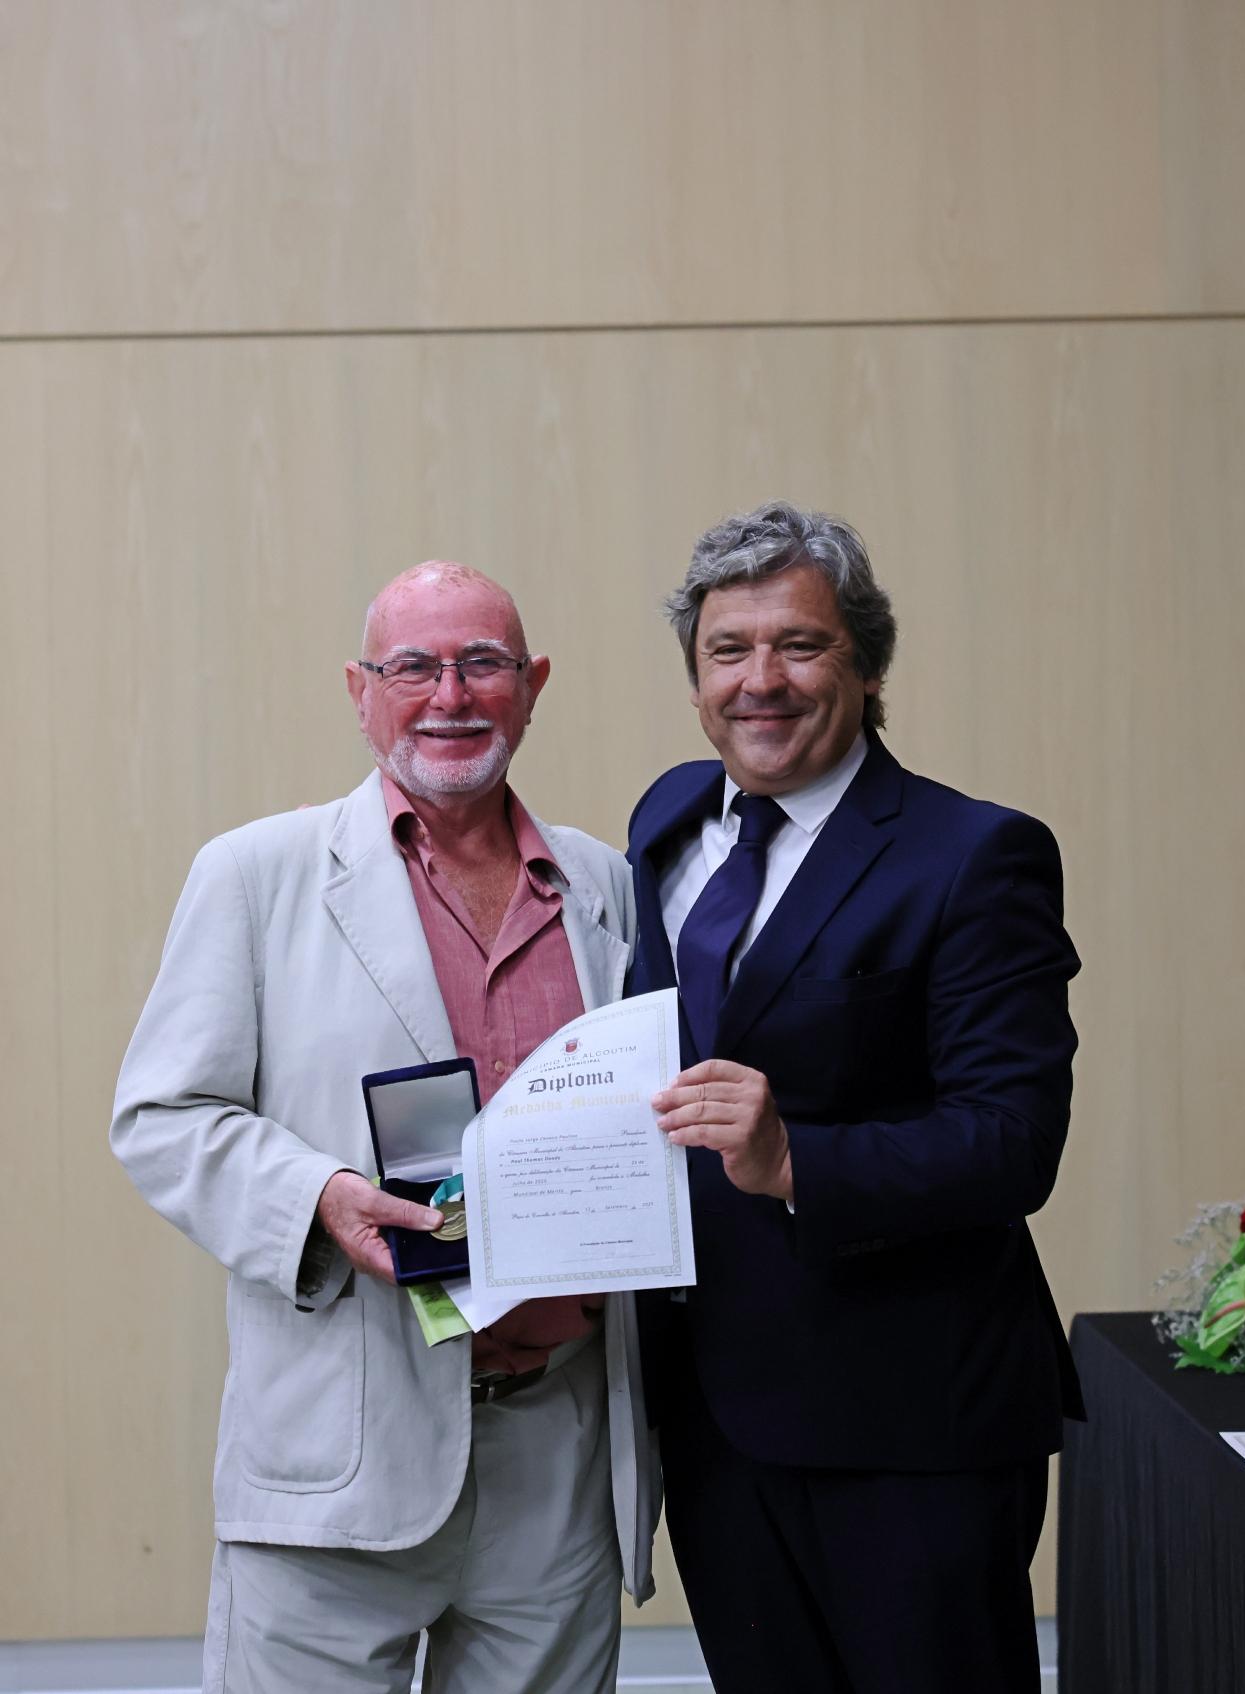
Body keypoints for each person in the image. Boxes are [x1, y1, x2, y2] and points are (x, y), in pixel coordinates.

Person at [112, 561, 656, 1694]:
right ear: (361, 692)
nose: (449, 695)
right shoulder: (255, 874)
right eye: (413, 666)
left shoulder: (603, 883)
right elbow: (162, 1116)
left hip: (555, 1455)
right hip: (341, 1451)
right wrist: (315, 1197)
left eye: (482, 664)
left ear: (532, 685)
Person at [627, 502, 1083, 1694]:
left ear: (867, 666)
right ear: (694, 678)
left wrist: (794, 1161)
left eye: (800, 644)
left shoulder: (973, 854)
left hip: (910, 1419)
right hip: (714, 1413)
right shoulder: (667, 819)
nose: (759, 681)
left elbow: (1011, 1139)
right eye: (727, 650)